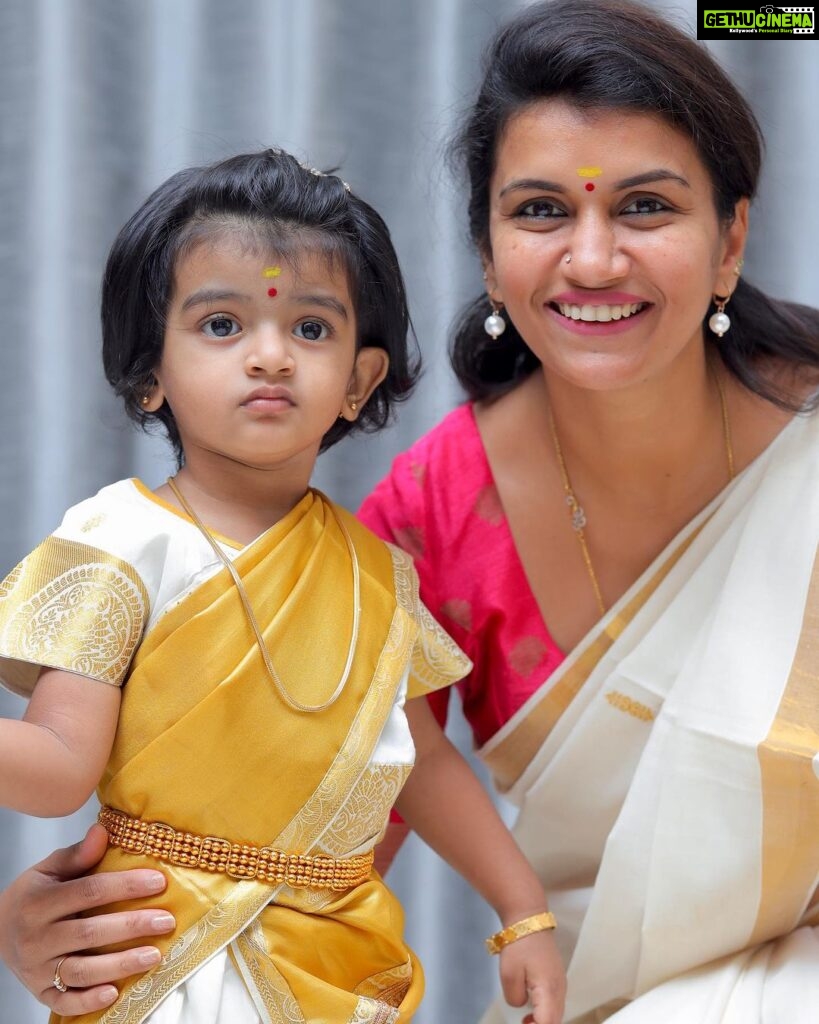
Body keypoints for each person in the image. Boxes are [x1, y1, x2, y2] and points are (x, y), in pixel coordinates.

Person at [3, 0, 819, 1020]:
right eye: (540, 212)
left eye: (645, 207)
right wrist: (60, 912)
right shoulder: (425, 520)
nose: (595, 258)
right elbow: (336, 812)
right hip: (603, 991)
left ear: (731, 237)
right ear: (486, 253)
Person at [0, 148, 566, 1024]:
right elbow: (56, 771)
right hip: (161, 959)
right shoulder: (123, 542)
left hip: (333, 962)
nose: (269, 356)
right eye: (222, 325)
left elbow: (423, 766)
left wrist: (521, 909)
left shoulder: (379, 578)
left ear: (359, 381)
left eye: (309, 329)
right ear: (151, 370)